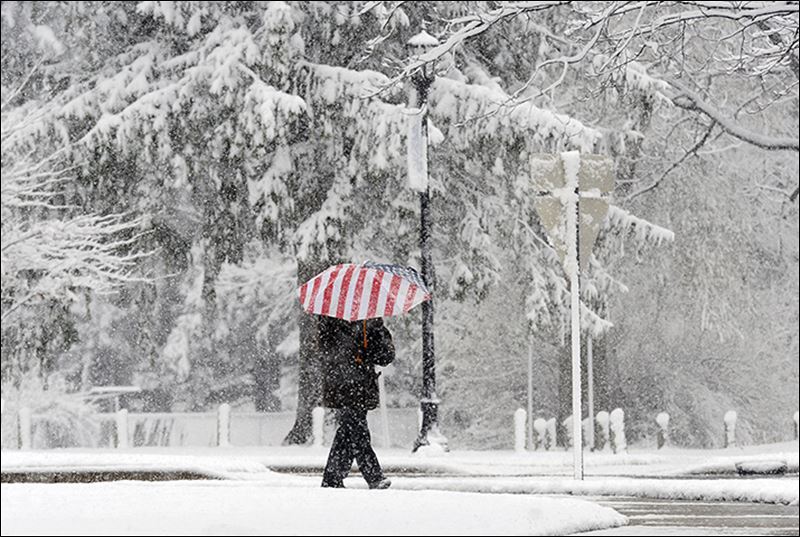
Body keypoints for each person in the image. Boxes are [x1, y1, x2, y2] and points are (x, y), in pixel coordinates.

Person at [319, 316, 395, 489]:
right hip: (343, 385)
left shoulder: (371, 321)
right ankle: (373, 475)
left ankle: (332, 478)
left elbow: (385, 356)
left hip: (361, 385)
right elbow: (327, 350)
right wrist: (355, 347)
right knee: (356, 429)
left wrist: (376, 334)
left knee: (348, 431)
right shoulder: (331, 319)